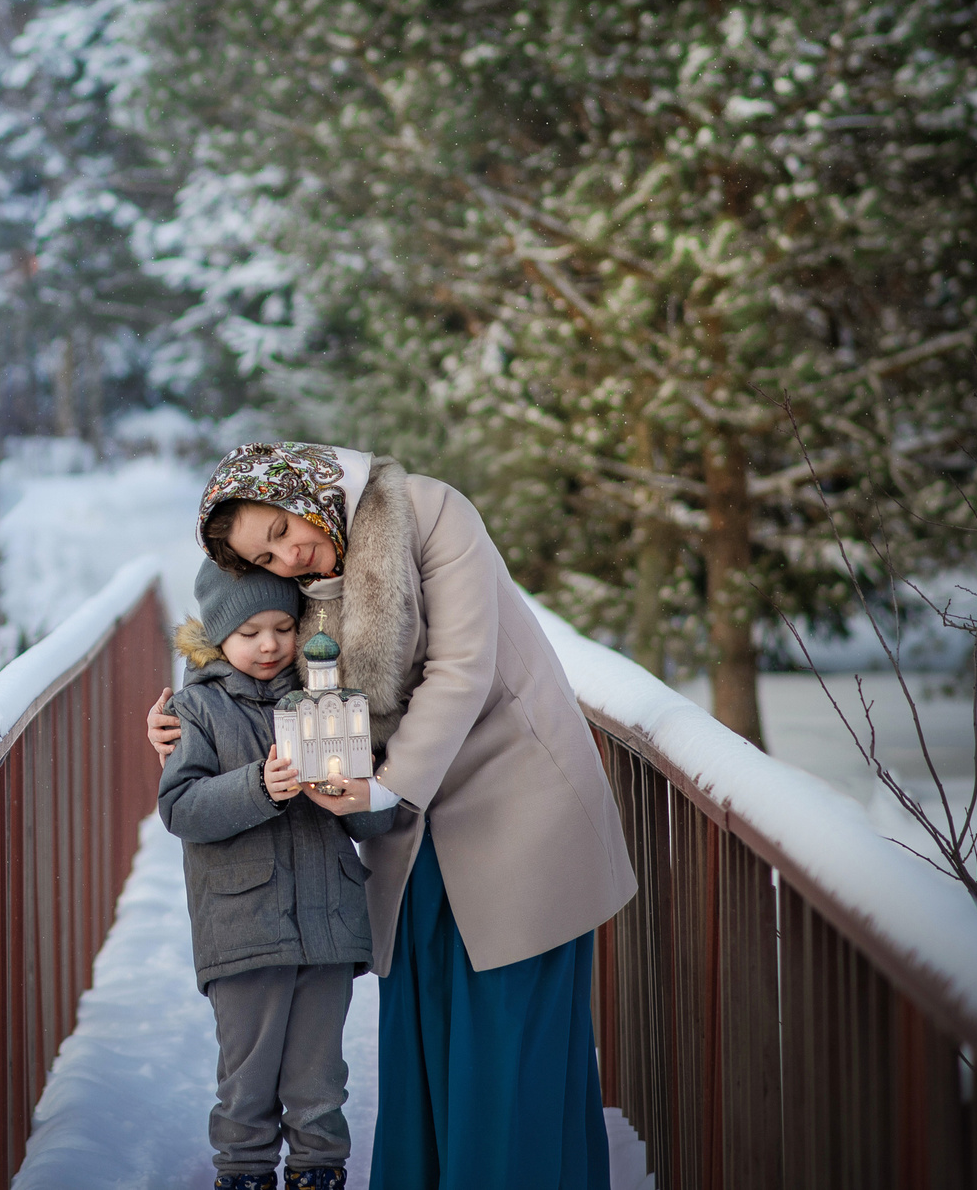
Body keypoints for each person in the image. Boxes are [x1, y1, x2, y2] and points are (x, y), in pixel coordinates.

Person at [148, 443, 636, 1190]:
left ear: (305, 485)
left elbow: (460, 667)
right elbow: (253, 637)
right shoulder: (307, 577)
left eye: (280, 528)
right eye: (264, 554)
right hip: (413, 829)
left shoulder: (432, 512)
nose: (285, 555)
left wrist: (389, 787)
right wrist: (187, 712)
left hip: (511, 806)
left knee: (505, 1047)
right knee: (429, 1036)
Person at [161, 562, 397, 1190]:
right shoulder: (198, 709)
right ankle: (243, 1172)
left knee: (319, 1076)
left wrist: (364, 791)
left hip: (328, 926)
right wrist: (257, 786)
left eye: (283, 627)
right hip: (244, 925)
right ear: (216, 639)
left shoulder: (335, 702)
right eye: (248, 632)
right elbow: (181, 808)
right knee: (248, 1075)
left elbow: (375, 823)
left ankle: (319, 1170)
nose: (269, 645)